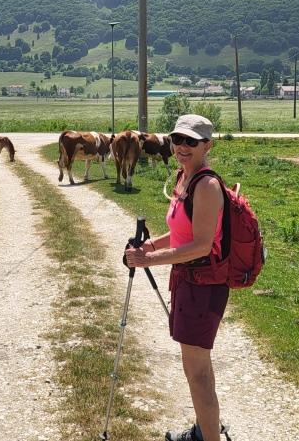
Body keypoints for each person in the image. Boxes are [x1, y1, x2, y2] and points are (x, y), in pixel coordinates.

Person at [125, 114, 229, 441]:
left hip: (203, 285)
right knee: (198, 368)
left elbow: (201, 244)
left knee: (197, 374)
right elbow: (182, 233)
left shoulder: (207, 186)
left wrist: (149, 260)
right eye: (177, 139)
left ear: (207, 146)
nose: (182, 146)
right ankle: (204, 430)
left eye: (191, 141)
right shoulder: (185, 178)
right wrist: (151, 245)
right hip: (188, 281)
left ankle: (208, 437)